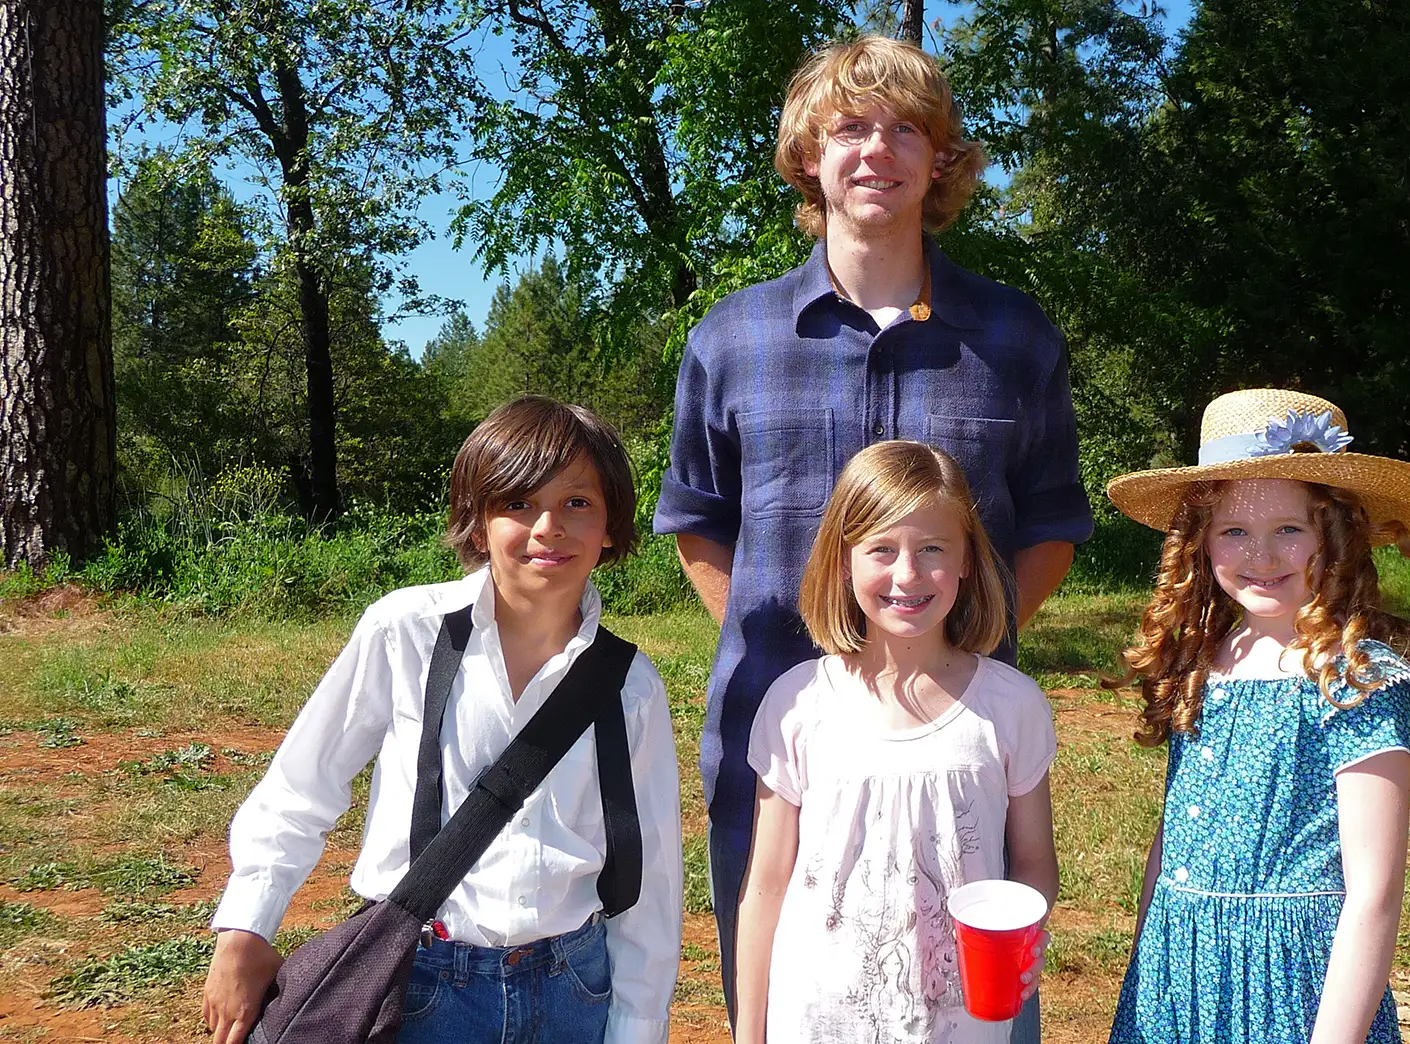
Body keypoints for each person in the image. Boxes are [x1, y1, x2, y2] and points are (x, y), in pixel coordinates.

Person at [652, 34, 1093, 1033]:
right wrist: (826, 662)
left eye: (906, 129)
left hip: (959, 762)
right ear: (807, 155)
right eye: (848, 126)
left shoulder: (1015, 337)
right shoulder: (731, 339)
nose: (875, 149)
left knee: (967, 1008)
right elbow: (694, 525)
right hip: (777, 749)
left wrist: (950, 649)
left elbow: (1054, 523)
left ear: (940, 159)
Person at [201, 397, 683, 1044]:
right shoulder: (406, 633)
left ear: (611, 527)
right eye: (517, 503)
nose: (547, 526)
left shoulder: (632, 685)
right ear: (478, 522)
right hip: (423, 985)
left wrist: (638, 1027)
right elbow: (302, 785)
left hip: (574, 987)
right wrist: (246, 925)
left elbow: (650, 883)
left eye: (577, 502)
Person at [1100, 389, 1410, 1044]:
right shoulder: (1205, 660)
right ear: (1200, 544)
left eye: (1289, 530)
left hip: (1293, 993)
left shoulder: (1356, 680)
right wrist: (1145, 977)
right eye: (1234, 530)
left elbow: (1373, 894)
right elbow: (1172, 839)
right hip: (1179, 980)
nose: (1260, 556)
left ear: (1338, 537)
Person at [732, 441, 1059, 1043]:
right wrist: (749, 1034)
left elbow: (1034, 862)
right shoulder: (796, 704)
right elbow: (766, 884)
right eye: (881, 549)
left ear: (967, 560)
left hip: (961, 1026)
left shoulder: (1011, 707)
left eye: (932, 549)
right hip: (816, 1022)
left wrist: (1025, 938)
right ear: (843, 560)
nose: (907, 574)